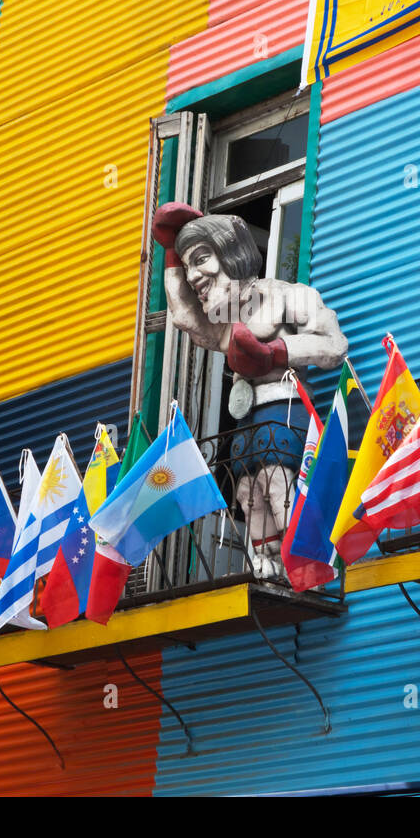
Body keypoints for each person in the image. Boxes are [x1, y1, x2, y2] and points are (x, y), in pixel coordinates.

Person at [152, 205, 347, 582]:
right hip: (245, 419)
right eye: (189, 267)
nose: (194, 276)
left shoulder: (290, 295)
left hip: (283, 408)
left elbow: (335, 345)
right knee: (247, 493)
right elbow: (181, 315)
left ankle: (305, 568)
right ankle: (266, 571)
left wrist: (275, 353)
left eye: (202, 259)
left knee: (279, 483)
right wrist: (171, 250)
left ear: (232, 253)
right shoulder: (221, 319)